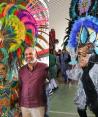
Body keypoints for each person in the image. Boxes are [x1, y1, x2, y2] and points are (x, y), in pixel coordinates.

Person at [19, 47, 48, 117]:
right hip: (24, 106)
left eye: (30, 54)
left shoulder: (44, 67)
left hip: (38, 105)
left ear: (36, 55)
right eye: (26, 54)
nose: (28, 56)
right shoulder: (21, 70)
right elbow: (20, 87)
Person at [74, 44, 98, 117]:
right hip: (85, 95)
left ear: (91, 57)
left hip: (95, 99)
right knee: (80, 110)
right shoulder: (82, 67)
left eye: (84, 56)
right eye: (79, 55)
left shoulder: (95, 70)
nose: (81, 58)